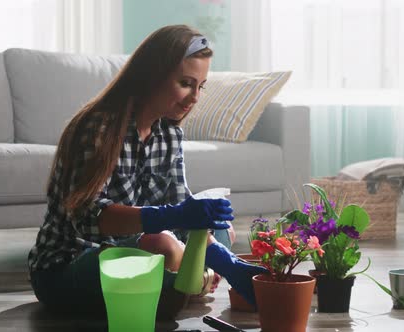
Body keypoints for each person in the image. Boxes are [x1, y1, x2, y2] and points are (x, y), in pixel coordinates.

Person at [27, 24, 267, 319]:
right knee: (164, 243)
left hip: (132, 251)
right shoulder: (98, 127)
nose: (195, 97)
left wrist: (230, 264)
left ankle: (178, 282)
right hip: (69, 265)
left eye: (200, 86)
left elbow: (184, 214)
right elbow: (90, 220)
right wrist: (173, 218)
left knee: (218, 231)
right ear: (153, 75)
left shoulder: (169, 135)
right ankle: (183, 282)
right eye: (185, 83)